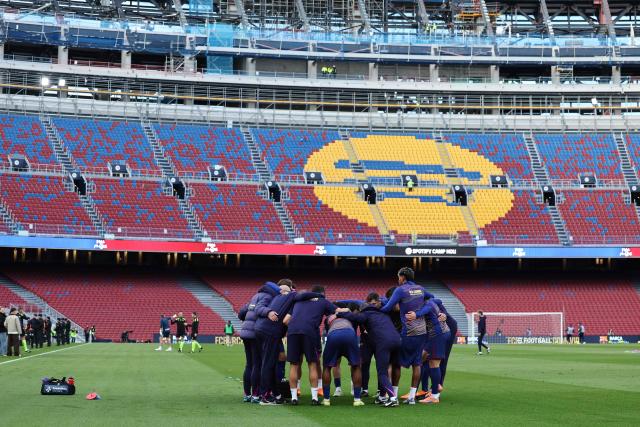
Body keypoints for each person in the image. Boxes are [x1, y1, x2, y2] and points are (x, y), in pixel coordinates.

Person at [338, 293, 402, 408]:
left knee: (382, 372)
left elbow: (353, 317)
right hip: (397, 341)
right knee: (388, 369)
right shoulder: (383, 314)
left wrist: (340, 312)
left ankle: (393, 398)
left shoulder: (366, 314)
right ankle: (382, 397)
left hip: (384, 342)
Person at [379, 267, 429, 404]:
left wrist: (376, 308)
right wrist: (419, 313)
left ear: (402, 277)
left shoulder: (400, 290)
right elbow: (432, 299)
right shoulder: (421, 289)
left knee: (396, 363)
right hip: (422, 331)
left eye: (398, 276)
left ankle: (393, 396)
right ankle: (412, 397)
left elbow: (388, 308)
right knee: (417, 363)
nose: (398, 279)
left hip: (408, 331)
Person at [285, 285, 337, 406]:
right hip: (309, 332)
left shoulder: (298, 301)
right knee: (312, 364)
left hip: (293, 331)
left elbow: (286, 320)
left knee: (294, 365)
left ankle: (294, 397)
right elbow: (337, 311)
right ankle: (314, 398)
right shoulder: (322, 301)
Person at [254, 279, 296, 405]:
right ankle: (264, 395)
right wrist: (269, 312)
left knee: (271, 364)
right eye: (281, 290)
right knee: (267, 364)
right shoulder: (271, 296)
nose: (283, 292)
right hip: (269, 332)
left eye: (285, 290)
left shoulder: (280, 298)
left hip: (268, 332)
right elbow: (259, 308)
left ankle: (275, 394)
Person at [238, 282, 280, 403]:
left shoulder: (255, 296)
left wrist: (247, 320)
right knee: (258, 364)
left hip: (245, 332)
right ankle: (256, 395)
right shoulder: (268, 297)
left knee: (249, 364)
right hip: (255, 333)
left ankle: (247, 394)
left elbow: (241, 313)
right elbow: (259, 310)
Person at [408, 298, 450, 404]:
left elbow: (425, 310)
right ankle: (435, 387)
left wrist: (415, 315)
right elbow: (439, 301)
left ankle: (434, 396)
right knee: (423, 358)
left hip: (438, 334)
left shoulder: (426, 305)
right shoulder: (430, 301)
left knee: (434, 363)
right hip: (437, 334)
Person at [321, 302, 364, 407]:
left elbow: (327, 329)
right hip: (349, 334)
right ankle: (357, 399)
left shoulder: (328, 318)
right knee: (356, 365)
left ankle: (326, 399)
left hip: (333, 335)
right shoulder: (349, 316)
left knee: (327, 367)